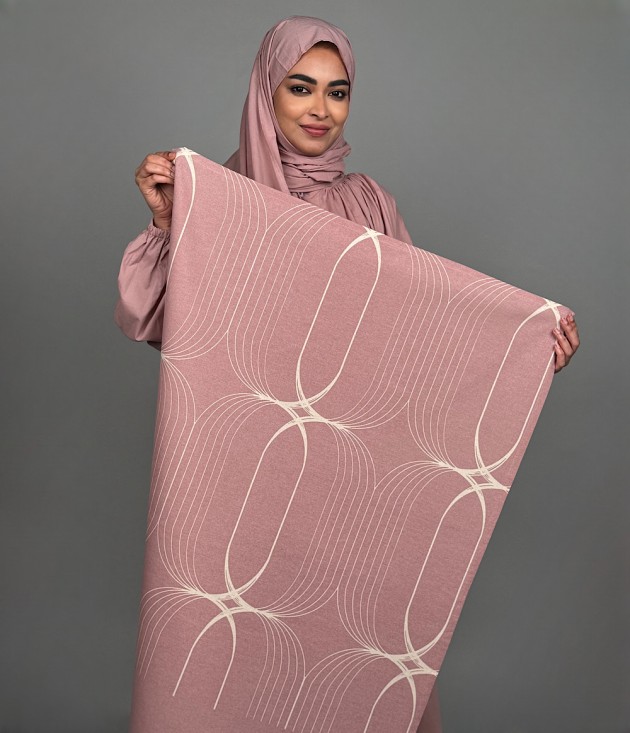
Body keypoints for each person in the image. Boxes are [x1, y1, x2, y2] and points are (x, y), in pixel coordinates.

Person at [115, 16, 579, 732]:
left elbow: (419, 338)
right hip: (239, 478)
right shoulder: (221, 197)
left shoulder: (370, 203)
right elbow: (156, 321)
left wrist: (524, 348)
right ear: (265, 92)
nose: (320, 110)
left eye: (338, 92)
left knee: (344, 663)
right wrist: (167, 223)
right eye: (300, 88)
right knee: (228, 660)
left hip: (342, 484)